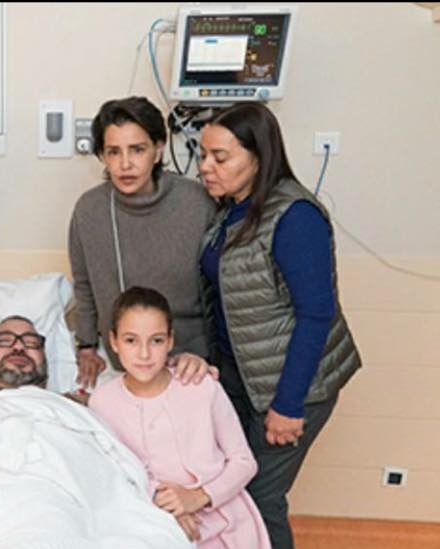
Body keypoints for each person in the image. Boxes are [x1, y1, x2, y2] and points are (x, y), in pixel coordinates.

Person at [197, 102, 361, 549]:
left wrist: (288, 405)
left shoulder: (295, 217)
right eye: (203, 155)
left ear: (259, 157)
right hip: (243, 378)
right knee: (233, 490)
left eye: (220, 157)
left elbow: (316, 314)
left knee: (259, 499)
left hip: (290, 387)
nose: (206, 167)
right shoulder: (231, 209)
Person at [89, 287, 270, 548]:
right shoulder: (102, 403)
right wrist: (165, 506)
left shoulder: (201, 386)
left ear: (170, 341)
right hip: (156, 523)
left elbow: (244, 461)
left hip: (227, 522)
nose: (144, 354)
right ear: (114, 341)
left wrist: (199, 497)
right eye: (131, 340)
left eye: (156, 340)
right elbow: (115, 473)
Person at [69, 96, 216, 389]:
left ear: (158, 149)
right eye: (113, 152)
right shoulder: (90, 210)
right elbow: (84, 285)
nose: (125, 164)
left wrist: (208, 356)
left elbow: (220, 291)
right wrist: (86, 345)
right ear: (102, 156)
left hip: (189, 361)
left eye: (137, 149)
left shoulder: (197, 203)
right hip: (125, 361)